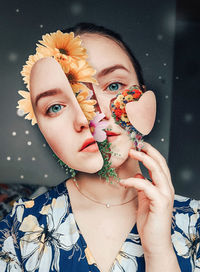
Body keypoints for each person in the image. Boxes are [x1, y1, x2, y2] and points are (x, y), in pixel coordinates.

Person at [0, 22, 200, 272]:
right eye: (56, 106)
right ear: (42, 128)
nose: (90, 117)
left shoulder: (196, 224)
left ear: (145, 97)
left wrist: (159, 252)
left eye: (113, 86)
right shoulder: (17, 232)